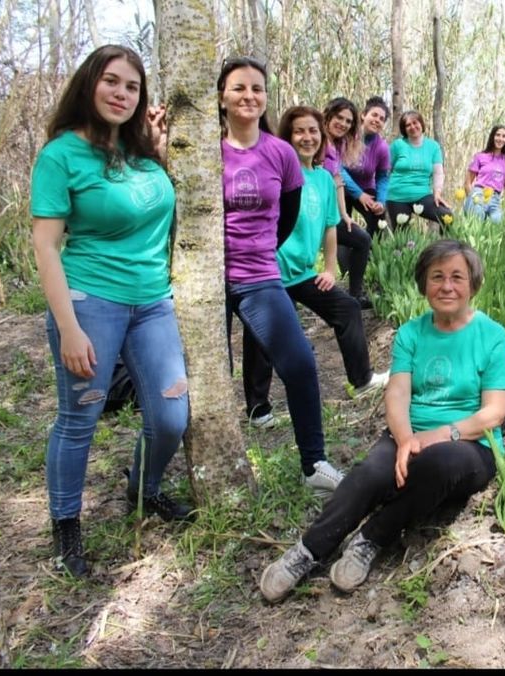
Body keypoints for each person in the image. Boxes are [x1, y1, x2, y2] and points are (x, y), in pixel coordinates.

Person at [259, 239, 505, 603]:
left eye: (457, 277)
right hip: (407, 434)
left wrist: (434, 437)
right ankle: (308, 550)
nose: (447, 286)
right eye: (437, 276)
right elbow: (396, 394)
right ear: (424, 284)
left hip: (470, 445)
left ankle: (373, 537)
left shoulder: (491, 335)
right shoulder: (412, 332)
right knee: (369, 474)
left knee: (437, 463)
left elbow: (494, 412)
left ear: (473, 284)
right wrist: (406, 438)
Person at [31, 45, 192, 577]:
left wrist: (159, 148)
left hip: (152, 302)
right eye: (111, 82)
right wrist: (70, 329)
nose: (122, 94)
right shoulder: (61, 155)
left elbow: (150, 209)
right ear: (88, 85)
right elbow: (47, 247)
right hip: (89, 300)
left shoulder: (141, 153)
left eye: (132, 86)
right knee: (79, 418)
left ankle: (142, 489)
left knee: (171, 416)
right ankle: (66, 529)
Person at [218, 56, 344, 496]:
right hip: (208, 283)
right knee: (188, 380)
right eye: (238, 88)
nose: (248, 96)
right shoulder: (204, 151)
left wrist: (261, 250)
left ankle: (314, 465)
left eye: (256, 88)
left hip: (260, 276)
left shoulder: (280, 152)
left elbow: (287, 214)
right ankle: (149, 476)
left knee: (301, 365)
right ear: (221, 97)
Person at [242, 105, 389, 425]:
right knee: (261, 334)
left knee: (347, 308)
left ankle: (362, 379)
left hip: (304, 272)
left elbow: (329, 227)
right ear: (287, 137)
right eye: (299, 131)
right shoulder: (277, 170)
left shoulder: (323, 179)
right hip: (270, 271)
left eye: (312, 132)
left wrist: (329, 268)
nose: (307, 138)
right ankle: (258, 408)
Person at [323, 97, 373, 310]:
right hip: (309, 213)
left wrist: (344, 214)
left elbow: (337, 180)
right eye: (339, 118)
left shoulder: (339, 145)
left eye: (348, 121)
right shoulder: (315, 137)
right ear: (328, 115)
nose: (342, 124)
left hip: (329, 213)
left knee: (362, 239)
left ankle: (355, 294)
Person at [385, 110, 453, 229]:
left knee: (446, 216)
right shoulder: (398, 145)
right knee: (402, 236)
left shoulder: (433, 146)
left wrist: (437, 193)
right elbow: (385, 170)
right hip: (397, 196)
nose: (412, 127)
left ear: (421, 124)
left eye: (415, 123)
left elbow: (438, 172)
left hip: (422, 195)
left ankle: (445, 247)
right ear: (404, 129)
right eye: (408, 125)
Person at [341, 96, 391, 239]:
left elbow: (382, 177)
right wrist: (358, 194)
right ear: (363, 115)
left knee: (378, 218)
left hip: (366, 188)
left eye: (382, 119)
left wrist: (380, 201)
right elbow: (338, 169)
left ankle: (371, 254)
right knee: (344, 226)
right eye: (374, 115)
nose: (377, 120)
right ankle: (344, 253)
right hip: (342, 188)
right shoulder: (347, 137)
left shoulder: (382, 147)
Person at [463, 125, 505, 222]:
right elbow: (467, 183)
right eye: (498, 135)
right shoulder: (480, 156)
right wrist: (473, 199)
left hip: (495, 199)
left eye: (504, 136)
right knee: (477, 222)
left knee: (498, 223)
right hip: (479, 195)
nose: (501, 139)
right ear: (492, 136)